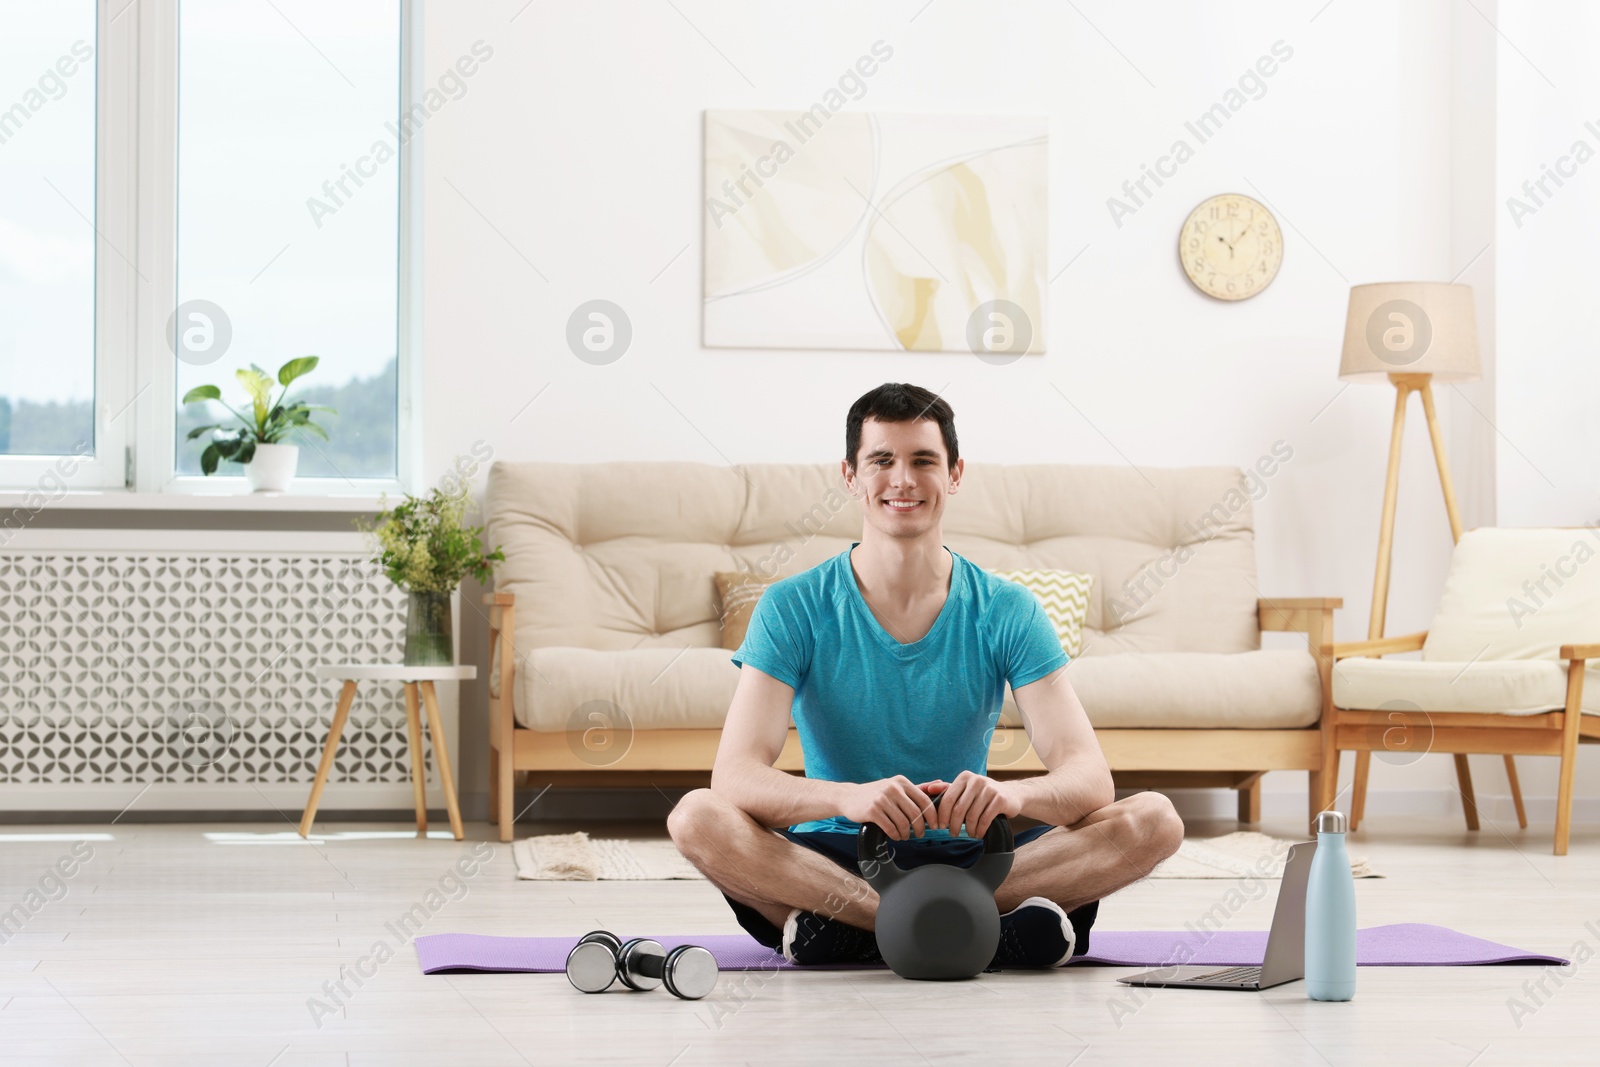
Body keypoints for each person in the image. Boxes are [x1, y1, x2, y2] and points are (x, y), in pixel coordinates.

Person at [668, 383, 1183, 968]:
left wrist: (1013, 795)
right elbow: (734, 775)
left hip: (980, 855)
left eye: (923, 461)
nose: (903, 480)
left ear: (955, 473)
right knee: (695, 817)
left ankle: (862, 931)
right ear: (850, 476)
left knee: (1154, 819)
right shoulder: (792, 606)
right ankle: (970, 926)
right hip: (838, 861)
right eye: (882, 460)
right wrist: (849, 797)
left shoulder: (1008, 609)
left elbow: (1089, 776)